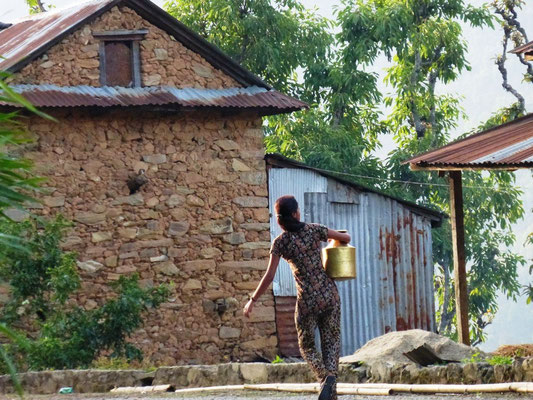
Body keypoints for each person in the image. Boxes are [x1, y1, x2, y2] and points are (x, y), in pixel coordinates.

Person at [243, 195, 351, 400]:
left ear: (279, 219)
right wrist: (334, 241)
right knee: (331, 343)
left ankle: (325, 379)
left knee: (307, 346)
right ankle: (330, 383)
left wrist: (253, 300)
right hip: (329, 295)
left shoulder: (280, 243)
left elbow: (269, 276)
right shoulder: (314, 230)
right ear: (295, 213)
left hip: (307, 300)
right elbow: (346, 239)